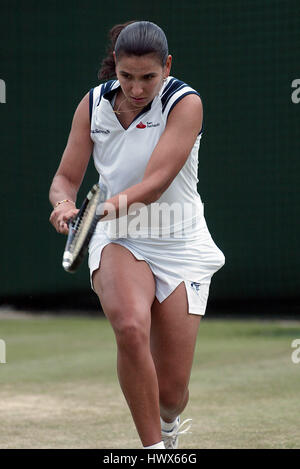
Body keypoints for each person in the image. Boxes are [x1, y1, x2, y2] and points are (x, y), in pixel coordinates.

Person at [49, 20, 225, 449]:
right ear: (116, 69)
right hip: (119, 239)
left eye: (148, 77)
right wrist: (64, 206)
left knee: (172, 396)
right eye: (127, 77)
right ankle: (154, 452)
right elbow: (65, 179)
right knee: (129, 327)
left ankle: (168, 426)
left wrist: (100, 209)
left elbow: (155, 183)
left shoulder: (185, 104)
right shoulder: (92, 106)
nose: (137, 88)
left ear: (166, 66)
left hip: (180, 242)